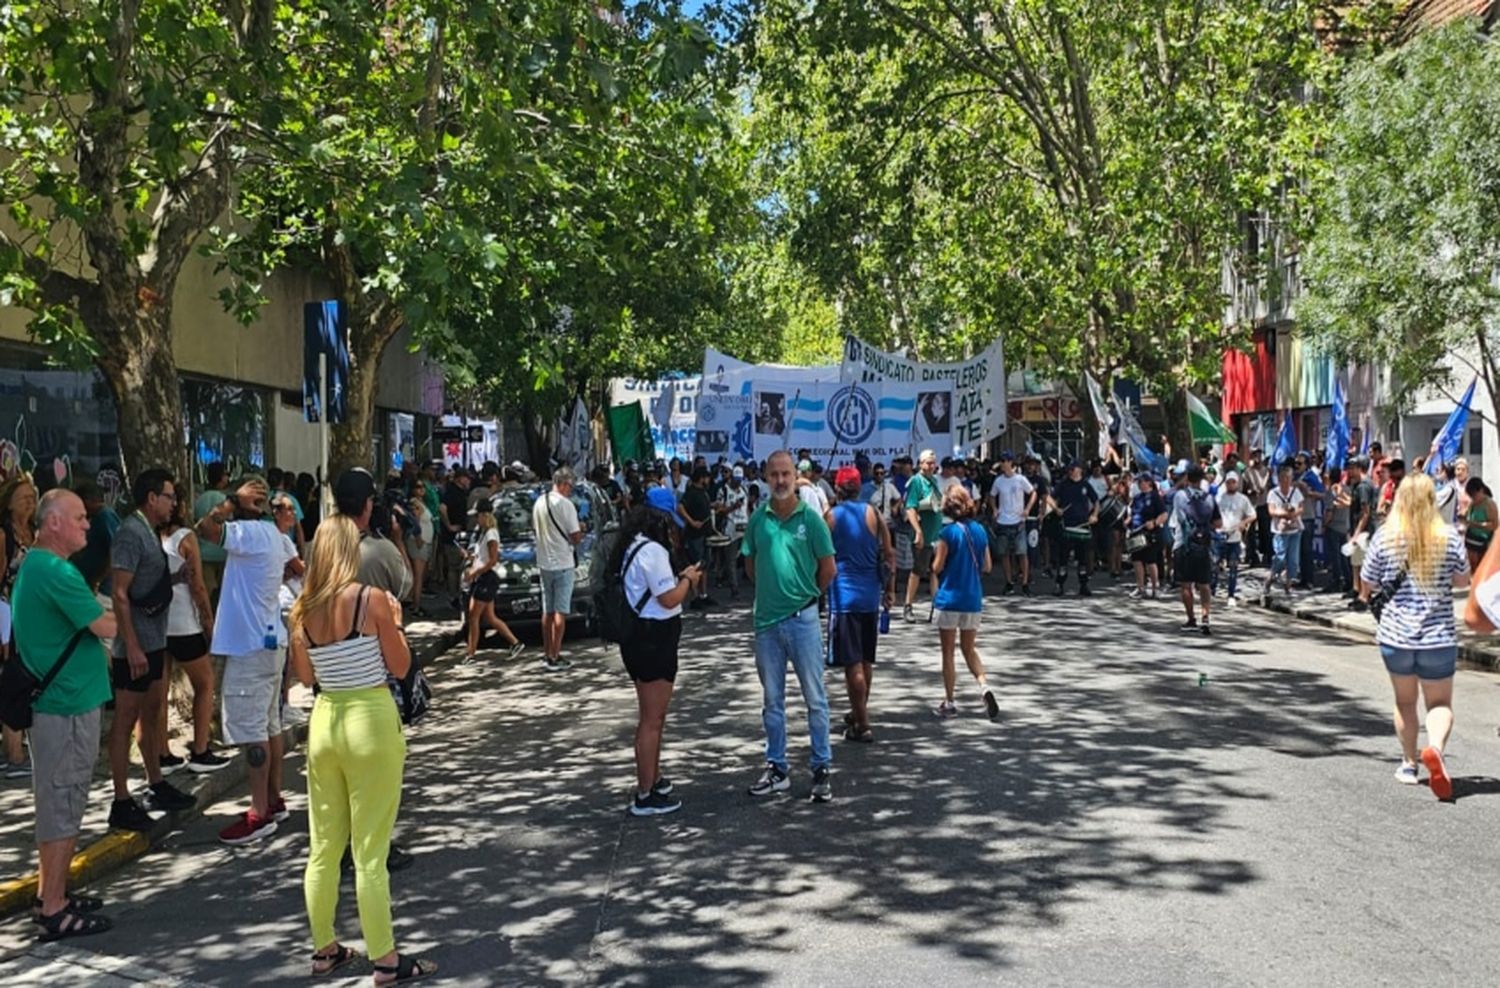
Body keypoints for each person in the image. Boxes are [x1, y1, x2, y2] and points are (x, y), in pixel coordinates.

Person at [288, 516, 435, 983]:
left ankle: (324, 948)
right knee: (370, 850)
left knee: (324, 846)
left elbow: (306, 678)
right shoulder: (369, 601)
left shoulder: (301, 608)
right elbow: (400, 664)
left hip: (326, 722)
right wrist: (394, 621)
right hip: (369, 718)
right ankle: (386, 959)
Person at [14, 489, 118, 941]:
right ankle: (53, 908)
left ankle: (49, 893)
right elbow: (105, 625)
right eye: (79, 518)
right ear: (53, 522)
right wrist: (118, 609)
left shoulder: (39, 567)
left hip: (64, 702)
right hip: (65, 706)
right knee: (62, 804)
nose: (87, 526)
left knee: (62, 802)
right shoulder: (54, 570)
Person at [197, 477, 301, 845]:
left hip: (250, 648)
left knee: (253, 730)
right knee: (269, 724)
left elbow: (205, 529)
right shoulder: (274, 536)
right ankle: (272, 800)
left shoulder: (247, 533)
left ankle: (258, 813)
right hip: (271, 641)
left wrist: (227, 502)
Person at [1359, 474, 1470, 798]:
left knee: (1405, 702)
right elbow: (1463, 581)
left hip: (1396, 637)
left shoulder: (1385, 537)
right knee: (1439, 703)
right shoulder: (1449, 537)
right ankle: (1434, 747)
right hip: (1438, 636)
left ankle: (1409, 764)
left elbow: (1369, 583)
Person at [741, 449, 836, 803]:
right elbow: (751, 565)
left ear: (796, 476)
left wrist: (804, 597)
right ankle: (777, 769)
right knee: (772, 703)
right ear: (766, 478)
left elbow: (828, 570)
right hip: (766, 623)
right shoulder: (757, 520)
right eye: (774, 474)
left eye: (786, 474)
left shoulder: (810, 520)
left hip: (803, 621)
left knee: (815, 699)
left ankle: (821, 768)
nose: (780, 481)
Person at [107, 469, 195, 830]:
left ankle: (155, 782)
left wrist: (175, 578)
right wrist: (131, 645)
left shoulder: (148, 532)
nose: (173, 503)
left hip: (154, 640)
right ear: (151, 498)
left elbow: (144, 581)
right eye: (169, 496)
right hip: (136, 646)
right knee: (126, 718)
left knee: (152, 711)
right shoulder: (130, 533)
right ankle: (120, 798)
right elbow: (119, 592)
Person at [615, 494, 699, 816]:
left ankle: (654, 775)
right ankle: (645, 794)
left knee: (653, 717)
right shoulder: (651, 551)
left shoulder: (634, 545)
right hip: (653, 640)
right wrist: (689, 580)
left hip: (643, 638)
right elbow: (669, 598)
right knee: (652, 719)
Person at [160, 494, 228, 773]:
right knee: (205, 683)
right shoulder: (186, 538)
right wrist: (209, 623)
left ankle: (162, 753)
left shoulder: (153, 536)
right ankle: (200, 749)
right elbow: (198, 586)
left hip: (158, 623)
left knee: (159, 692)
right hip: (184, 623)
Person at [825, 466, 893, 743]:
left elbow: (816, 553)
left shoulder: (829, 517)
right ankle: (858, 711)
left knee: (852, 663)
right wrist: (889, 589)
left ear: (838, 489)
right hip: (869, 596)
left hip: (844, 599)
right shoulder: (874, 514)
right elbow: (889, 554)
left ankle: (862, 724)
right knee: (865, 660)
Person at [931, 487, 998, 720]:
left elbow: (936, 567)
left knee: (948, 652)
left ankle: (949, 701)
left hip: (950, 597)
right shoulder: (980, 531)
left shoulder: (947, 533)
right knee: (969, 649)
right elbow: (987, 566)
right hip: (972, 598)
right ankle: (984, 686)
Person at [0, 474, 37, 777]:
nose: (30, 502)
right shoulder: (4, 534)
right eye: (23, 496)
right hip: (7, 616)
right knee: (13, 679)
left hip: (29, 616)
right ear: (9, 502)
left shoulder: (33, 531)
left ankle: (18, 749)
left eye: (33, 496)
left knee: (25, 678)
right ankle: (13, 754)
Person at [533, 467, 584, 671]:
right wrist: (582, 529)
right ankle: (555, 654)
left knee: (548, 609)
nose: (570, 490)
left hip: (544, 562)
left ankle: (547, 653)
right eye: (570, 486)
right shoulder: (566, 505)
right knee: (561, 611)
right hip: (563, 562)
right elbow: (575, 536)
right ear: (563, 483)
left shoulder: (539, 502)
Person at [461, 507, 525, 662]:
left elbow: (493, 560)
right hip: (484, 576)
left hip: (487, 577)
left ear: (485, 515)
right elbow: (483, 556)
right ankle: (514, 642)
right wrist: (471, 557)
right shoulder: (484, 533)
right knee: (489, 616)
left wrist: (475, 572)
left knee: (473, 616)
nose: (476, 520)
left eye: (478, 516)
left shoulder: (490, 534)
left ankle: (471, 653)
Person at [1170, 465, 1221, 634]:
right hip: (1204, 545)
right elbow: (1218, 523)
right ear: (1202, 479)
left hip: (1183, 543)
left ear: (1187, 478)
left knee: (1186, 585)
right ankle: (1205, 617)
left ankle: (1191, 618)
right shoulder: (1209, 498)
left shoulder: (1180, 496)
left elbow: (1179, 517)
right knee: (1204, 584)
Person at [902, 450, 943, 622]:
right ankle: (908, 605)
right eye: (927, 463)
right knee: (918, 570)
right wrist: (918, 531)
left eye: (933, 463)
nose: (931, 466)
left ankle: (937, 606)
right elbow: (910, 508)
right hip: (923, 535)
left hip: (936, 534)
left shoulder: (933, 481)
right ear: (920, 464)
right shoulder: (916, 482)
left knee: (935, 570)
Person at [988, 452, 1034, 596]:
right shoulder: (998, 481)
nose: (1001, 464)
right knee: (1004, 553)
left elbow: (1033, 493)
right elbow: (991, 496)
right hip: (1003, 520)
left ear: (1010, 462)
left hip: (1018, 520)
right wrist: (995, 509)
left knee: (1022, 552)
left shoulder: (1020, 479)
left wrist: (1027, 509)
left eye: (1003, 461)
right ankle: (1009, 582)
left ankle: (1025, 582)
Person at [1052, 462, 1098, 597]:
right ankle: (1059, 584)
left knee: (1082, 558)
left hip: (1082, 526)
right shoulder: (1063, 484)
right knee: (1063, 557)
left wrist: (1094, 515)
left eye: (1074, 469)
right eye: (1070, 469)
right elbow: (1050, 497)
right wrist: (1056, 509)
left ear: (1080, 470)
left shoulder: (1085, 485)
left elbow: (1096, 501)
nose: (1071, 471)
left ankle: (1083, 584)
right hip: (1067, 525)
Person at [1263, 464, 1304, 604]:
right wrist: (1284, 514)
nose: (1286, 480)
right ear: (1279, 479)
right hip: (1279, 531)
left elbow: (1300, 508)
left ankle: (1288, 586)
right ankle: (1270, 578)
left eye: (1289, 478)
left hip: (1294, 530)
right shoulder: (1273, 493)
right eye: (1283, 478)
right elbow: (1271, 511)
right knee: (1280, 557)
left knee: (1293, 560)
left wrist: (1293, 514)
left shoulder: (1296, 492)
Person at [1214, 472, 1255, 606]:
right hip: (1220, 534)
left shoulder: (1243, 499)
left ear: (1237, 483)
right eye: (1228, 482)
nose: (1230, 484)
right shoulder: (1219, 498)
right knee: (1214, 565)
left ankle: (1231, 594)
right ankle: (1212, 590)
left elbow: (1252, 515)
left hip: (1234, 537)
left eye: (1233, 482)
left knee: (1233, 567)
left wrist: (1243, 523)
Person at [677, 467, 715, 609]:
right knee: (696, 565)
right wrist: (692, 522)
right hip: (695, 535)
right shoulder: (691, 493)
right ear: (701, 478)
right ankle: (694, 596)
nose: (708, 480)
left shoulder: (703, 493)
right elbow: (680, 507)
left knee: (704, 565)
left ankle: (703, 594)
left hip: (706, 533)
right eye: (706, 477)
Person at [1128, 474, 1168, 600]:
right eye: (1138, 482)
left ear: (1148, 482)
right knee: (1137, 560)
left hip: (1150, 533)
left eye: (1141, 482)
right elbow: (1132, 512)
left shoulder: (1155, 497)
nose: (1139, 484)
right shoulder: (1137, 498)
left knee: (1151, 560)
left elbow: (1164, 514)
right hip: (1136, 531)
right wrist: (1127, 522)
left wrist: (1155, 522)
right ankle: (1140, 587)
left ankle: (1155, 587)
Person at [404, 488, 434, 617]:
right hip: (418, 542)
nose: (421, 489)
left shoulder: (423, 502)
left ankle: (415, 603)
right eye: (418, 487)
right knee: (418, 575)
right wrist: (418, 538)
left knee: (420, 575)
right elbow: (414, 521)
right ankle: (415, 606)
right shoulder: (414, 503)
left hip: (425, 541)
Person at [1462, 478, 1496, 572]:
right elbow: (1467, 516)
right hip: (1470, 538)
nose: (1473, 498)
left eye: (1474, 495)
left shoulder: (1489, 504)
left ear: (1481, 491)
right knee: (1471, 566)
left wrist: (1476, 525)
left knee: (1480, 567)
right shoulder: (1473, 503)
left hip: (1482, 540)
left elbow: (1494, 525)